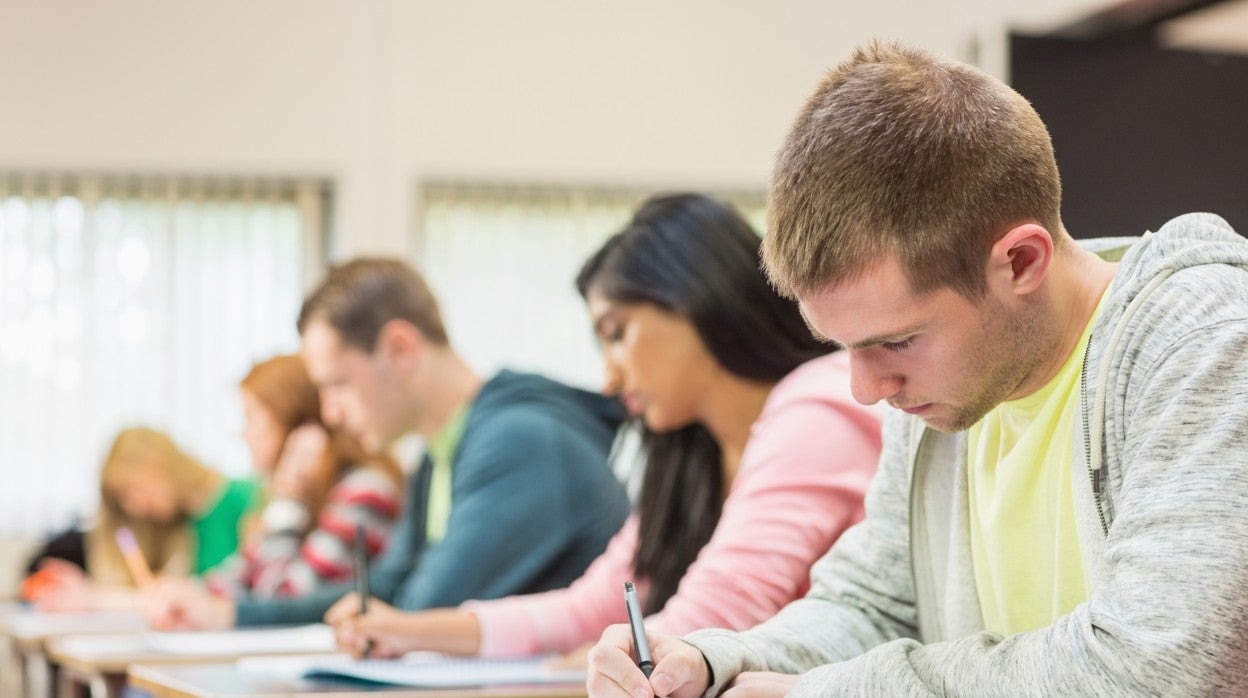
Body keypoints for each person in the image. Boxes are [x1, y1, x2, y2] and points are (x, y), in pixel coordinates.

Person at [587, 41, 1248, 697]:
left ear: (1020, 262)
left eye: (896, 341)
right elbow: (870, 609)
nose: (865, 389)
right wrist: (709, 658)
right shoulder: (944, 395)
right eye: (842, 345)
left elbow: (1162, 669)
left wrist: (832, 693)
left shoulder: (1202, 341)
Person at [323, 193, 885, 662]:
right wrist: (409, 632)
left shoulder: (817, 403)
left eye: (617, 333)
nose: (610, 378)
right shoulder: (689, 452)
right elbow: (592, 606)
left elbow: (722, 610)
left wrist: (597, 658)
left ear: (693, 295)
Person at [146, 257, 630, 630]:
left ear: (400, 349)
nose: (330, 412)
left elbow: (417, 611)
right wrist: (233, 616)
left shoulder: (520, 444)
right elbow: (381, 593)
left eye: (338, 384)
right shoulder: (438, 455)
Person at [204, 354, 403, 598]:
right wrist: (190, 596)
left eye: (250, 416)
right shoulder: (291, 495)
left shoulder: (365, 491)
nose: (242, 433)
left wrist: (289, 499)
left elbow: (280, 596)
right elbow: (240, 578)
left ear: (293, 420)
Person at [29, 427, 262, 611]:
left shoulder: (248, 499)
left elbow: (230, 596)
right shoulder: (177, 525)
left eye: (134, 490)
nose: (133, 507)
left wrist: (96, 598)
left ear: (157, 465)